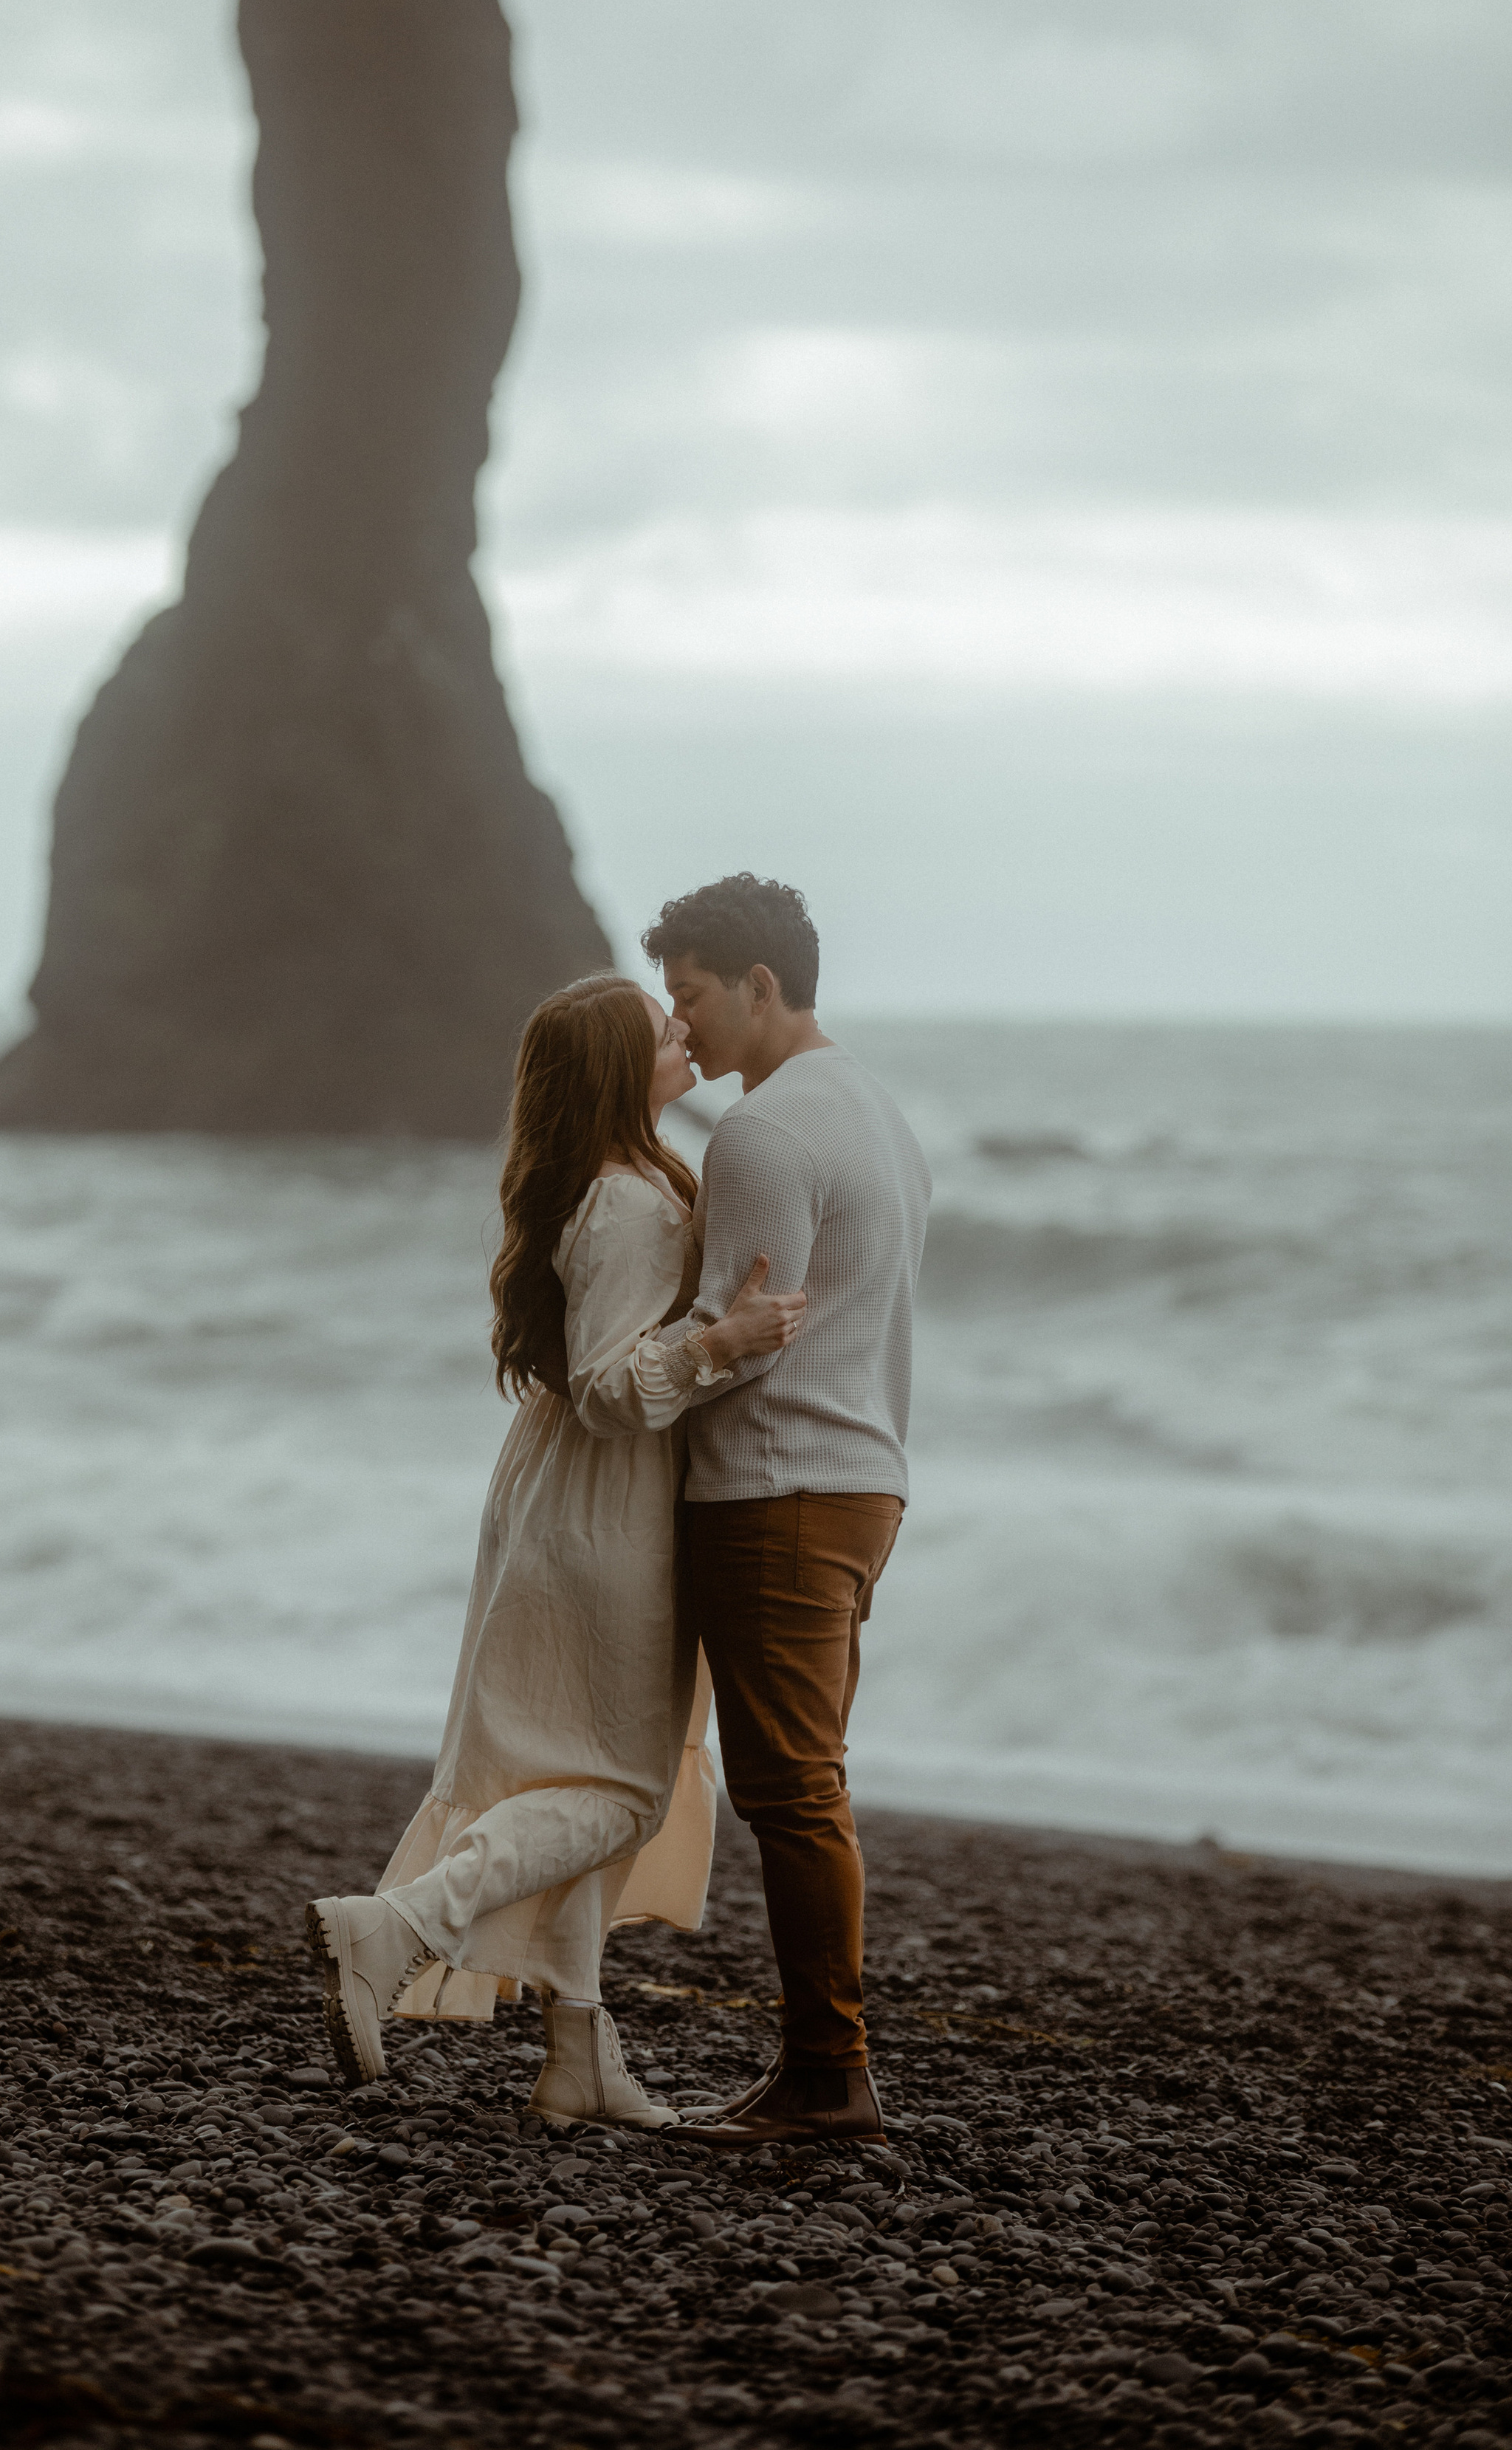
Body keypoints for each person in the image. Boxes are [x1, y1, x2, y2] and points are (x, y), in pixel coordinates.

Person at [306, 972, 807, 2127]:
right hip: (605, 1509)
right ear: (614, 1071)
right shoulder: (628, 1202)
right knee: (623, 1791)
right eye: (658, 1026)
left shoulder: (615, 1184)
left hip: (572, 1500)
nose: (680, 1031)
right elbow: (609, 1387)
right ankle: (395, 1930)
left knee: (581, 1775)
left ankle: (578, 2055)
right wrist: (723, 1341)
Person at [639, 873, 931, 2151]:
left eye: (692, 997)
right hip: (862, 1479)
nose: (683, 1028)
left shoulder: (759, 1134)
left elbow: (744, 1339)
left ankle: (829, 2075)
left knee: (794, 1793)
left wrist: (627, 1361)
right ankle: (819, 2068)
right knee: (803, 1784)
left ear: (760, 986)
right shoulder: (876, 1108)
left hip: (776, 1487)